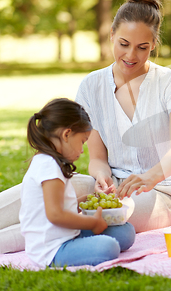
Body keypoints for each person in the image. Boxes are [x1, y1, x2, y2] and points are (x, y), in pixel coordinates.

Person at [0, 0, 171, 255]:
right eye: (123, 44)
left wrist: (148, 178)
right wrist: (101, 177)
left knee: (98, 211)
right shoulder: (92, 85)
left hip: (165, 193)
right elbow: (97, 157)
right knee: (46, 189)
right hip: (114, 185)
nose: (131, 55)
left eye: (142, 47)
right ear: (111, 35)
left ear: (154, 44)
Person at [22, 98, 134, 266]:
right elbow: (56, 215)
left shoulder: (50, 162)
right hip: (52, 249)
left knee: (126, 232)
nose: (82, 150)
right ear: (66, 134)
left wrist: (91, 199)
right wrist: (93, 222)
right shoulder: (47, 165)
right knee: (108, 247)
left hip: (67, 234)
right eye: (82, 141)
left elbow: (63, 206)